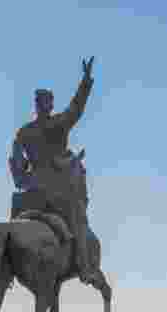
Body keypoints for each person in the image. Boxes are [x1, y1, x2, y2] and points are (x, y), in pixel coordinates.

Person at [9, 57, 100, 285]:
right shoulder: (58, 124)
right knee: (79, 220)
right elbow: (76, 109)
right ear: (48, 105)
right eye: (48, 101)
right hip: (58, 190)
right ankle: (85, 267)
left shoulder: (23, 133)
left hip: (29, 195)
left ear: (35, 105)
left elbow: (17, 167)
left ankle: (7, 265)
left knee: (13, 225)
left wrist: (24, 178)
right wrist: (86, 82)